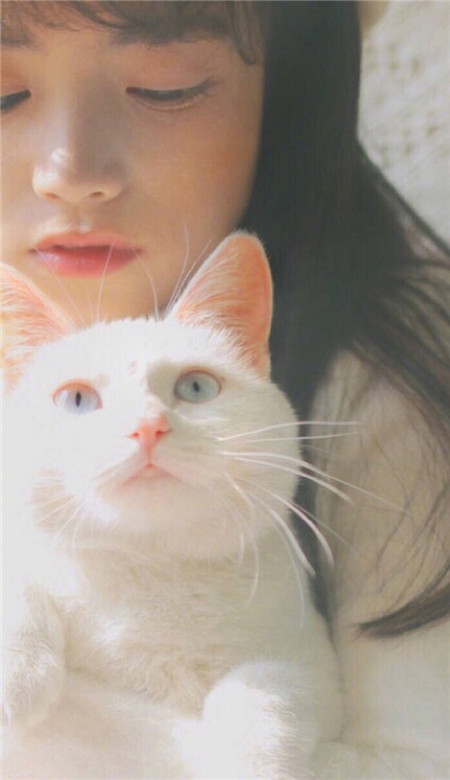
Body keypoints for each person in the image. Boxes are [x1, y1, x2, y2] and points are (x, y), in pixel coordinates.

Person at [1, 2, 449, 776]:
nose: (70, 173)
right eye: (2, 94)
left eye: (166, 87)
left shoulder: (383, 385)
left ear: (290, 92)